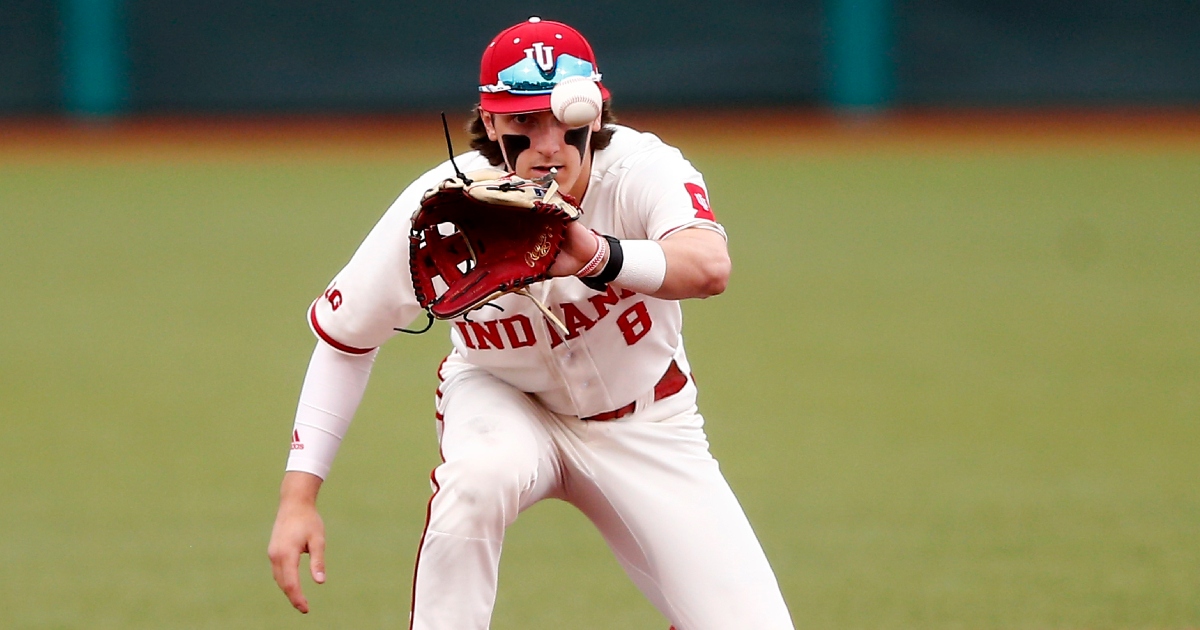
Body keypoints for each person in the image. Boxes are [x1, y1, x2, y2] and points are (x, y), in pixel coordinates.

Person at [267, 16, 795, 630]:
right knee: (478, 479)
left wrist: (599, 254)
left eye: (564, 119)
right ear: (490, 123)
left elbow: (708, 266)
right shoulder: (444, 204)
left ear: (597, 112)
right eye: (523, 121)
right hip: (503, 399)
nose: (548, 144)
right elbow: (347, 339)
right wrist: (298, 497)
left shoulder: (640, 170)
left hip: (647, 420)